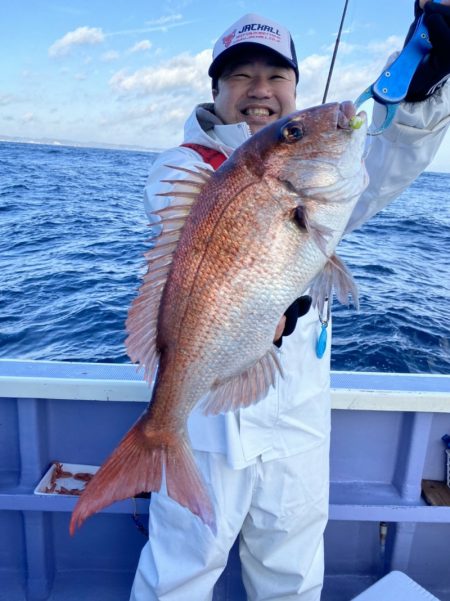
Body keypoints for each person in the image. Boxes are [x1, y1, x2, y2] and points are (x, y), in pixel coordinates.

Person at [130, 5, 450, 601]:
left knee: (293, 574)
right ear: (216, 90)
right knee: (180, 568)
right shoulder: (183, 168)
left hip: (298, 414)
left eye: (276, 76)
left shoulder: (320, 181)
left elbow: (384, 156)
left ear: (295, 87)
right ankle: (157, 442)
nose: (260, 90)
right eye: (240, 75)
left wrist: (424, 81)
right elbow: (202, 247)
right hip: (206, 418)